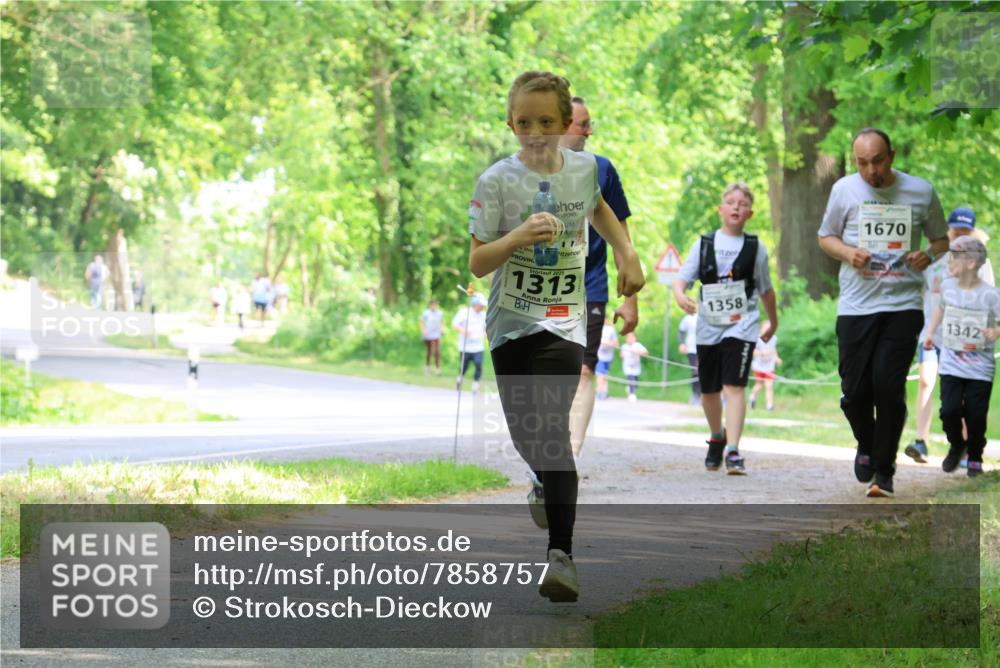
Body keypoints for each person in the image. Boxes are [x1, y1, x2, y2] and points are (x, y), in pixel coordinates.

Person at [467, 71, 644, 602]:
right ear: (511, 124)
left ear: (567, 124)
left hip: (564, 319)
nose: (536, 132)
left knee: (552, 429)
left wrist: (628, 254)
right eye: (525, 123)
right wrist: (518, 236)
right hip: (510, 322)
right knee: (528, 434)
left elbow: (601, 212)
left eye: (547, 121)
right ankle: (545, 481)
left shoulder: (586, 169)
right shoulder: (496, 181)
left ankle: (561, 557)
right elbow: (477, 262)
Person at [818, 128, 949, 498]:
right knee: (854, 391)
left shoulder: (920, 191)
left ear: (891, 155)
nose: (870, 171)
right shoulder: (844, 189)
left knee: (888, 387)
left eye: (877, 161)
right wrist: (848, 253)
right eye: (861, 163)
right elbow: (825, 236)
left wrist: (929, 253)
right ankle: (868, 444)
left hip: (902, 304)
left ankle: (884, 470)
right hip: (857, 305)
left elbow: (941, 239)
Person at [674, 182, 778, 476]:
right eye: (730, 202)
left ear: (750, 213)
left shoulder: (756, 249)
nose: (736, 207)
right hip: (707, 326)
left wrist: (773, 321)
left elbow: (767, 290)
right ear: (720, 210)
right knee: (709, 390)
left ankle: (733, 450)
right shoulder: (704, 244)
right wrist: (681, 296)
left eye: (742, 203)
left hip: (741, 324)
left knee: (734, 386)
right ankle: (717, 436)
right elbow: (682, 280)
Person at [559, 96, 638, 457]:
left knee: (583, 372)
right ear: (559, 124)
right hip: (544, 288)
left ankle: (569, 457)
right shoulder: (527, 170)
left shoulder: (603, 170)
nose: (589, 130)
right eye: (582, 124)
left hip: (590, 287)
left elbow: (622, 237)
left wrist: (631, 299)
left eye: (590, 123)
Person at [905, 207, 994, 464]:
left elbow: (988, 298)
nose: (960, 236)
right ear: (948, 230)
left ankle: (965, 446)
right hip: (933, 334)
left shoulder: (981, 262)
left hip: (964, 338)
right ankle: (921, 441)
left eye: (966, 232)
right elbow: (918, 290)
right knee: (925, 380)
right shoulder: (934, 259)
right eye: (956, 231)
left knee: (961, 393)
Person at [921, 235, 1000, 477]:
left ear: (971, 264)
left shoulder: (991, 294)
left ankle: (975, 455)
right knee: (949, 411)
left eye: (954, 257)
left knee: (976, 414)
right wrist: (931, 332)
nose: (948, 262)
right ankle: (957, 445)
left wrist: (994, 331)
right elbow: (941, 308)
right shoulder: (947, 287)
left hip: (980, 367)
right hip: (951, 363)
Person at [452, 293, 487, 394]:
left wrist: (485, 334)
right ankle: (459, 380)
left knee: (478, 364)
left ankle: (476, 386)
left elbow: (486, 328)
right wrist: (463, 331)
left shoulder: (483, 315)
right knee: (464, 366)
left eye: (483, 305)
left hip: (478, 346)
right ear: (475, 304)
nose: (482, 307)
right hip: (465, 346)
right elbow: (455, 324)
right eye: (480, 305)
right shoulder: (464, 312)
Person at [749, 330, 781, 411]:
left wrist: (777, 358)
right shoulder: (757, 339)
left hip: (769, 366)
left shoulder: (773, 338)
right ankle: (753, 397)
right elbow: (752, 351)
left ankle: (769, 405)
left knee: (769, 385)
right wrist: (762, 353)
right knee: (759, 385)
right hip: (759, 366)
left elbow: (773, 349)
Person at [677, 312, 700, 404]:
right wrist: (681, 343)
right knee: (696, 371)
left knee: (705, 372)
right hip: (692, 348)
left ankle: (703, 395)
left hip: (706, 347)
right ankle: (695, 395)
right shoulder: (689, 317)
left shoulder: (708, 315)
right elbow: (680, 330)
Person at [620, 332, 648, 402]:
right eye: (629, 337)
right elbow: (621, 355)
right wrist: (625, 354)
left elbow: (646, 352)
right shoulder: (625, 346)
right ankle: (632, 395)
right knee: (631, 379)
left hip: (636, 367)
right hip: (628, 367)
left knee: (635, 382)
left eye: (632, 337)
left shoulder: (637, 345)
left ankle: (629, 388)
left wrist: (638, 352)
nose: (631, 339)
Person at [595, 318, 618, 400]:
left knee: (605, 375)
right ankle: (599, 392)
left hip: (608, 356)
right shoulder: (596, 328)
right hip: (599, 355)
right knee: (600, 374)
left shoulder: (611, 329)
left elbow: (616, 342)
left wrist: (609, 343)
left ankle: (605, 392)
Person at [420, 298, 444, 375]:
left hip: (436, 334)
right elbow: (421, 322)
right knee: (429, 350)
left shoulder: (439, 313)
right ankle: (427, 366)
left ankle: (437, 368)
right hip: (428, 334)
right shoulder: (426, 313)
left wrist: (442, 329)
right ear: (430, 305)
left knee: (437, 351)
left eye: (436, 305)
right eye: (433, 305)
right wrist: (423, 330)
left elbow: (442, 322)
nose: (435, 306)